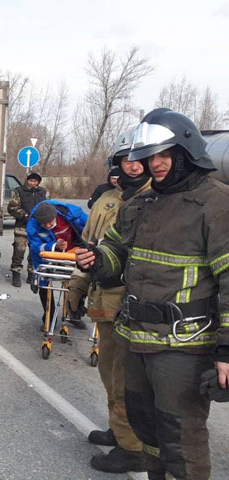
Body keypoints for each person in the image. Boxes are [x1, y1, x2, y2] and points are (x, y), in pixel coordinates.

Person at [76, 108, 229, 480]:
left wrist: (226, 350)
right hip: (135, 338)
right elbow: (116, 251)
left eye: (164, 155)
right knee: (148, 434)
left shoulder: (216, 203)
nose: (155, 164)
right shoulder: (142, 203)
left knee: (182, 441)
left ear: (186, 151)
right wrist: (96, 259)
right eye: (150, 157)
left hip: (183, 348)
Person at [66, 126, 151, 473]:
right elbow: (89, 248)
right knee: (108, 371)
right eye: (125, 159)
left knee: (124, 377)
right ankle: (119, 433)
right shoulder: (107, 198)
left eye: (139, 159)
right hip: (104, 298)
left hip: (130, 301)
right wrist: (77, 286)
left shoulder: (154, 199)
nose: (132, 165)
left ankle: (132, 447)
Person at [26, 200, 88, 330]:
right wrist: (54, 246)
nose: (48, 225)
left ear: (56, 216)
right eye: (44, 224)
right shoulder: (33, 225)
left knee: (80, 280)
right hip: (48, 254)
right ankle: (49, 316)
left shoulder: (70, 212)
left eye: (50, 222)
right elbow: (36, 247)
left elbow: (90, 226)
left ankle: (74, 313)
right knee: (43, 281)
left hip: (74, 248)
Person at [7, 172, 50, 287]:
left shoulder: (43, 192)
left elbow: (48, 206)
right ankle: (16, 273)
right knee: (19, 250)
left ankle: (31, 274)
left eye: (35, 181)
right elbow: (12, 207)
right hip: (22, 226)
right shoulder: (19, 191)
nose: (32, 183)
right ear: (27, 180)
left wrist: (43, 218)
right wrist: (24, 215)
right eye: (31, 181)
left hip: (38, 227)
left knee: (34, 251)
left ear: (38, 183)